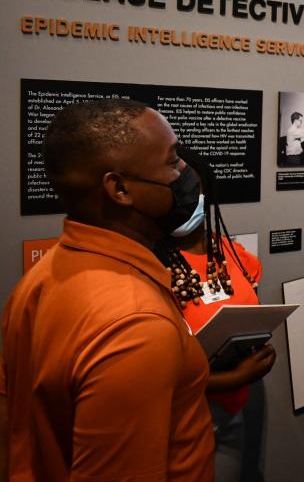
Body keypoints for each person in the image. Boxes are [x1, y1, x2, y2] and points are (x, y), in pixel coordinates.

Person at [0, 99, 214, 480]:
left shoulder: (41, 278)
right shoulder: (135, 324)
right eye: (171, 161)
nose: (185, 172)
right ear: (119, 189)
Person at [169, 151, 276, 482]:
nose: (185, 199)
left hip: (233, 414)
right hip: (177, 421)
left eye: (192, 189)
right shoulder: (149, 263)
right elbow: (152, 371)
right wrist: (228, 379)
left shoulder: (236, 256)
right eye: (176, 190)